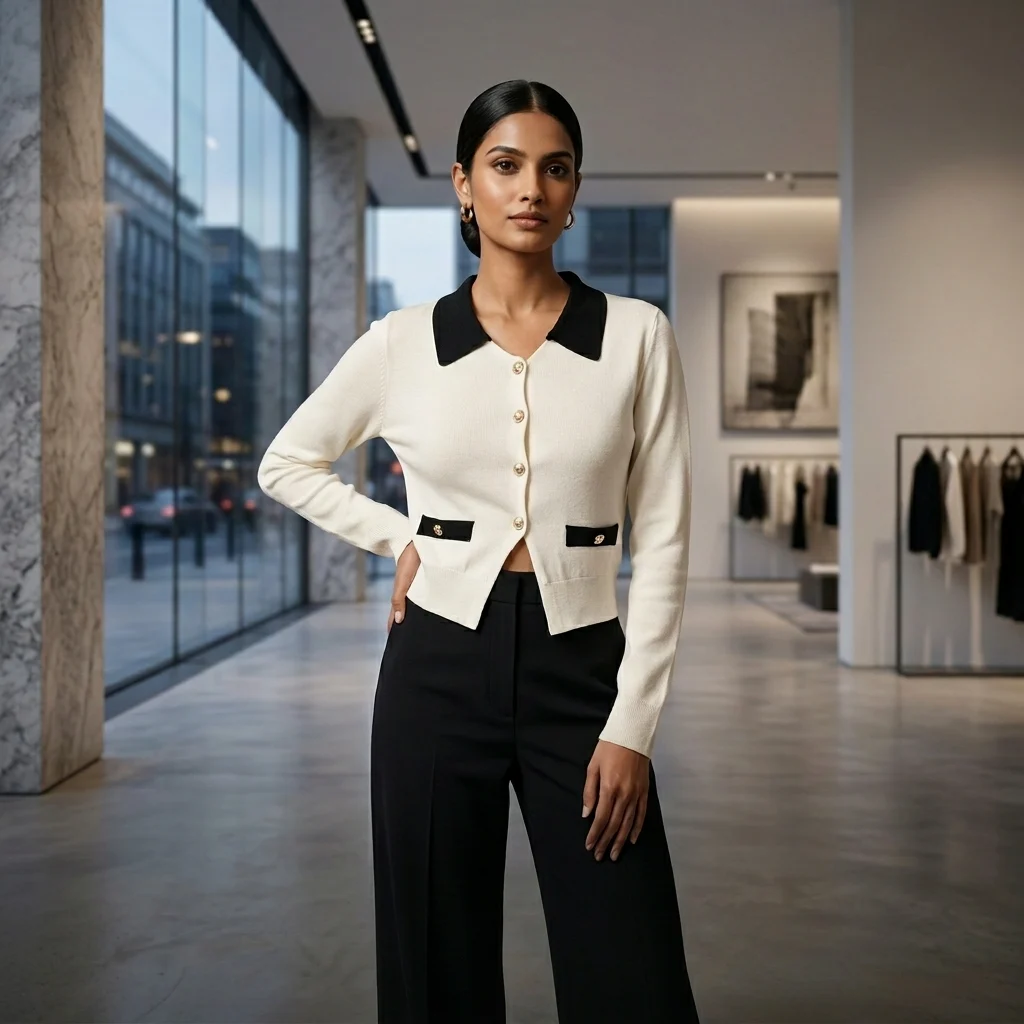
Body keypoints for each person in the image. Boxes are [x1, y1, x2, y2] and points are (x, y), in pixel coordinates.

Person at [258, 79, 698, 1024]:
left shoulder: (636, 337)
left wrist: (632, 727)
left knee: (632, 970)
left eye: (554, 168)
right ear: (464, 185)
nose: (530, 187)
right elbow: (286, 463)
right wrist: (402, 538)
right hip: (436, 666)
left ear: (575, 191)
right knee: (433, 966)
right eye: (505, 166)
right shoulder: (403, 343)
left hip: (584, 667)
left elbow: (661, 542)